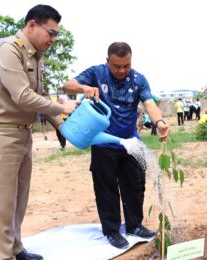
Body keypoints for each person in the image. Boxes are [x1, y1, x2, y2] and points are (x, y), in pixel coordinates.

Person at [0, 5, 77, 260]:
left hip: (22, 134)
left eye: (55, 35)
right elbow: (22, 96)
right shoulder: (8, 49)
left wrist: (62, 125)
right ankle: (4, 256)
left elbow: (40, 96)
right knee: (3, 204)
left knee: (19, 199)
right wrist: (62, 106)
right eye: (50, 33)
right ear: (32, 25)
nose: (52, 40)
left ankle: (16, 249)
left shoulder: (35, 57)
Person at [62, 42, 169, 249]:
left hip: (131, 144)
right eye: (116, 66)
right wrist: (85, 88)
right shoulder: (96, 73)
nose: (121, 71)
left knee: (135, 186)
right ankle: (111, 230)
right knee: (107, 190)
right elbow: (67, 85)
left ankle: (134, 225)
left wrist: (159, 122)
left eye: (126, 65)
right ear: (107, 62)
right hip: (104, 144)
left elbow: (149, 103)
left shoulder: (139, 79)